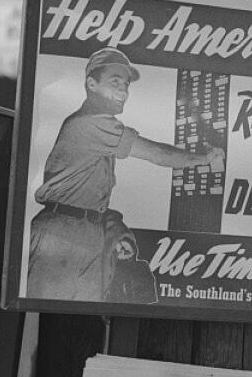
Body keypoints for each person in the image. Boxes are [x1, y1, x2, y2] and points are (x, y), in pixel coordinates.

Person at [26, 47, 224, 301]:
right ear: (91, 84)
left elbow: (88, 200)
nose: (123, 91)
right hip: (61, 236)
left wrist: (115, 230)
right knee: (47, 316)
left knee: (85, 316)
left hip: (86, 232)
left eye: (126, 85)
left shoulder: (99, 129)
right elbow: (157, 154)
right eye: (115, 82)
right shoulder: (90, 123)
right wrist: (206, 159)